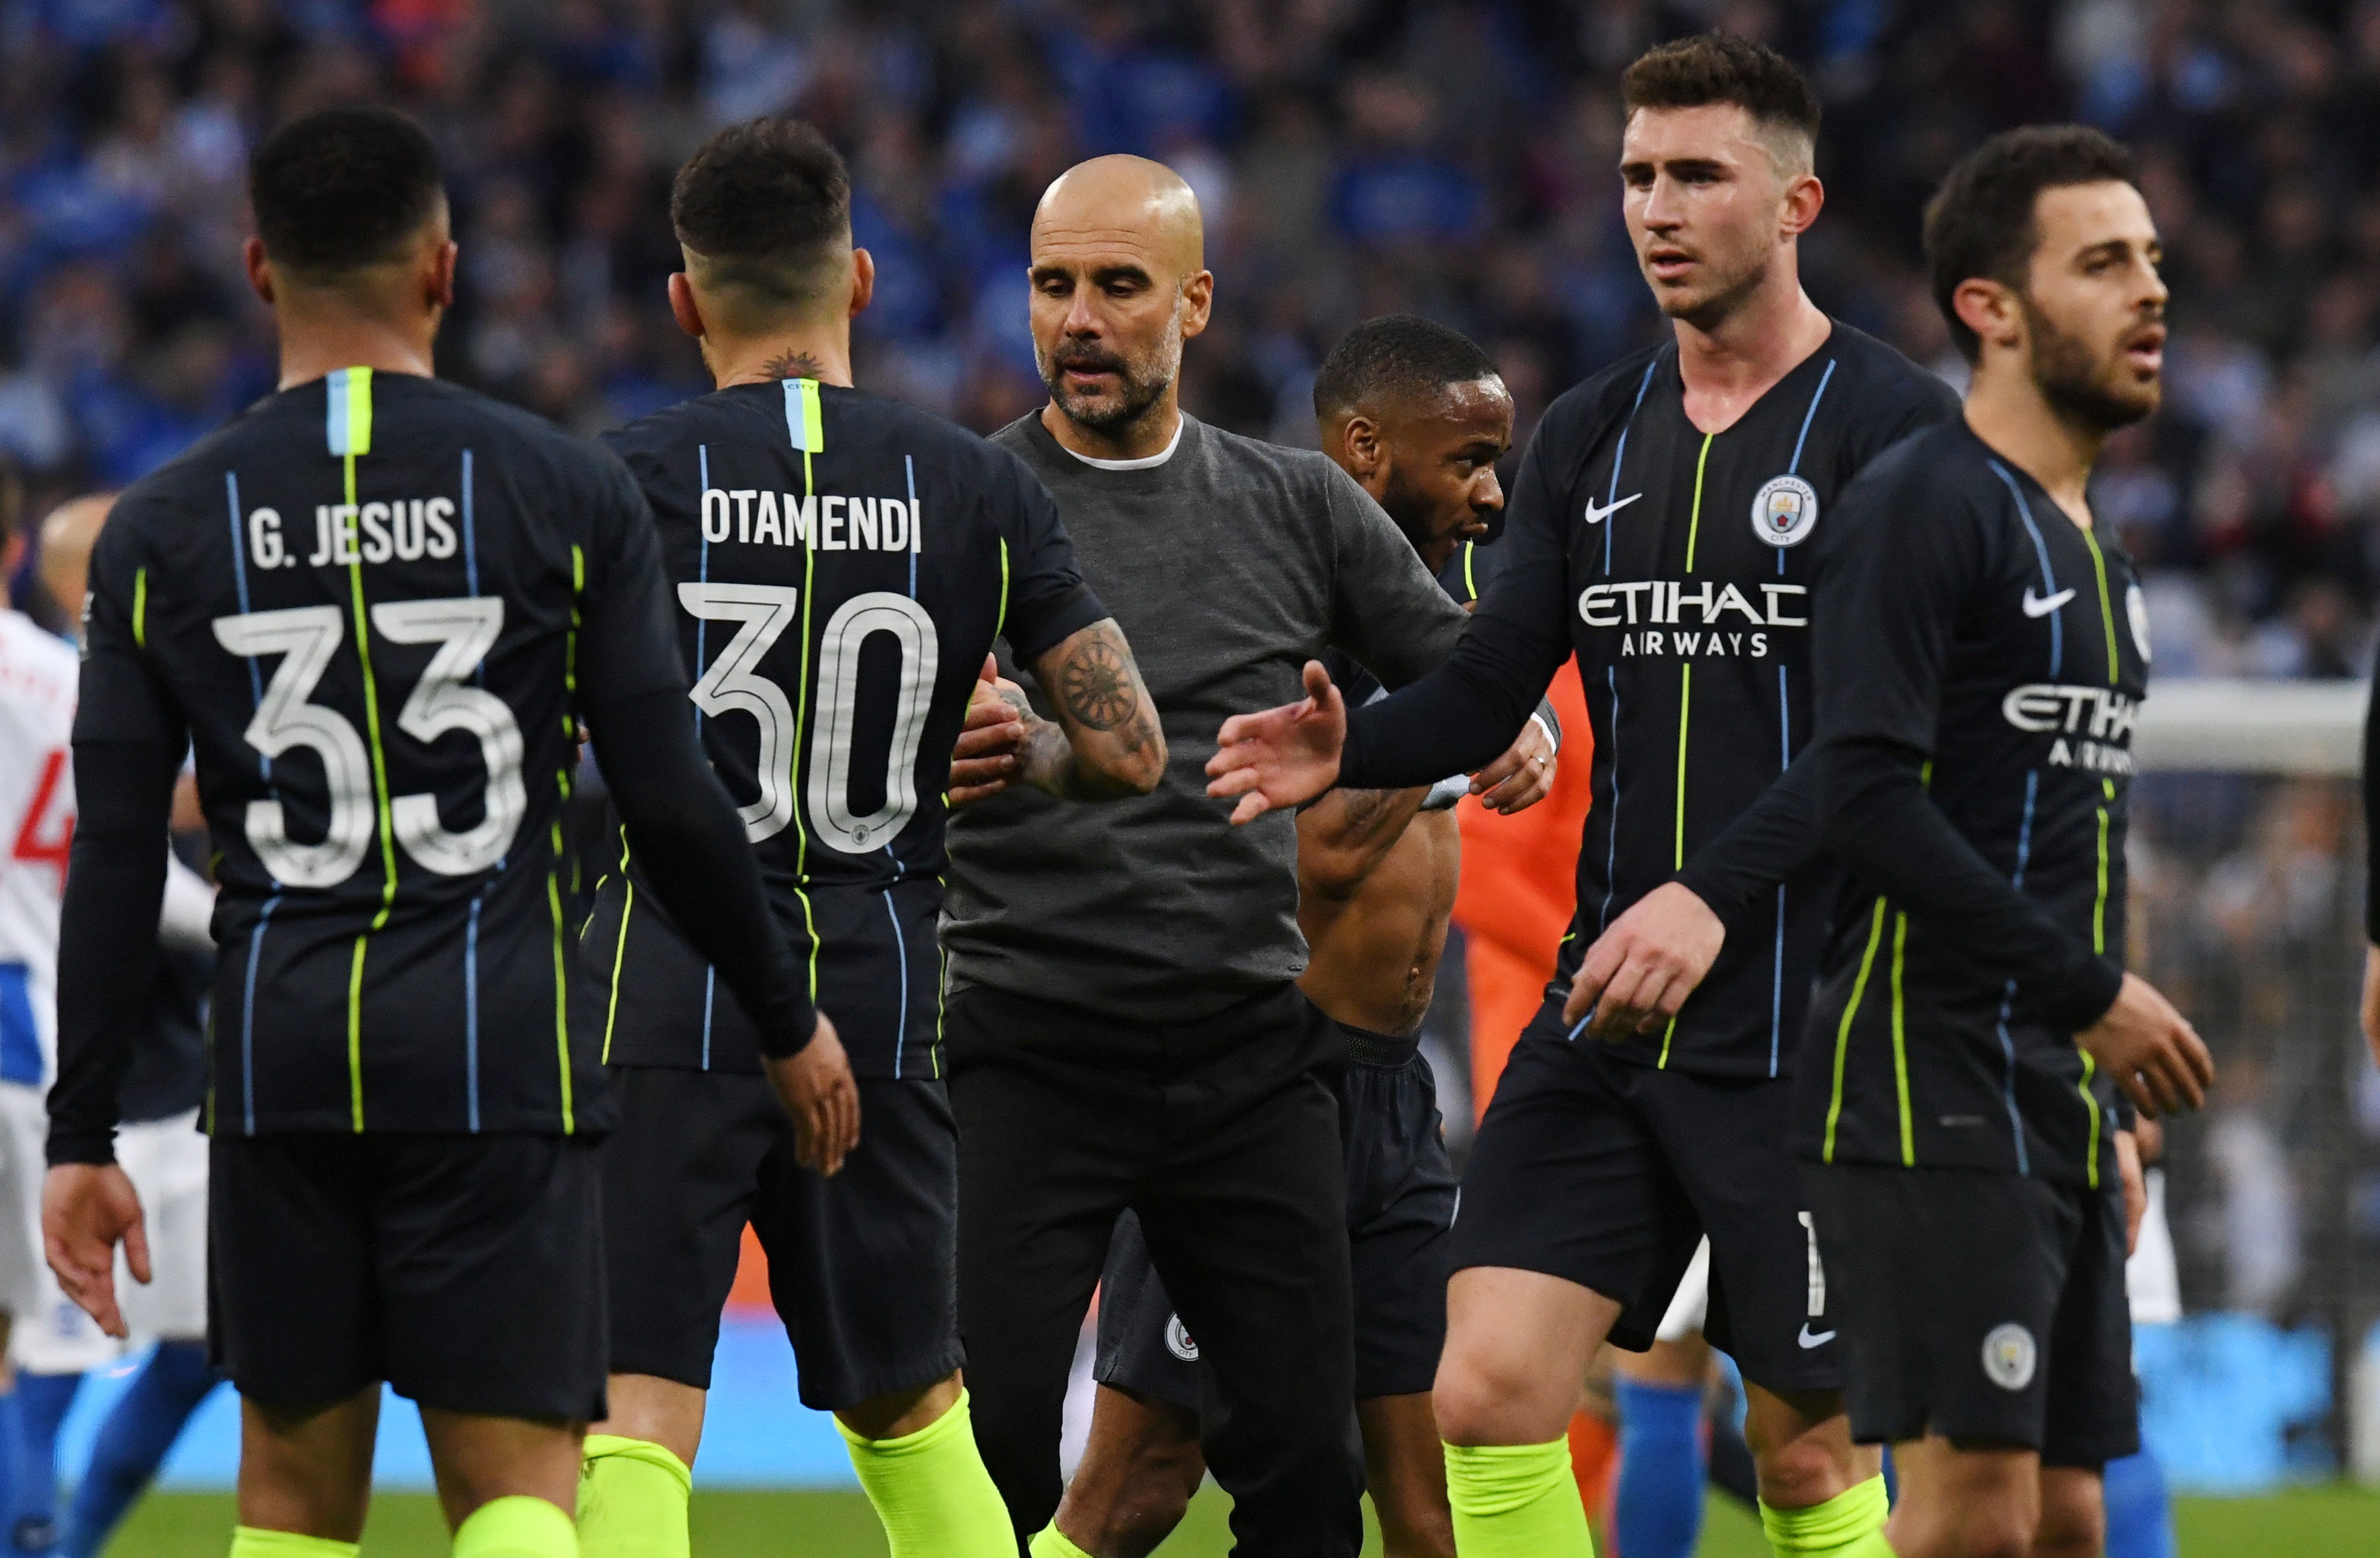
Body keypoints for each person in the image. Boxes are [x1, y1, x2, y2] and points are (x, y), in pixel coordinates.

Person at [41, 106, 839, 1558]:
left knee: (292, 1502)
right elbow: (668, 797)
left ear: (259, 270)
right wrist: (787, 1018)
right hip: (492, 1053)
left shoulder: (160, 527)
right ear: (443, 269)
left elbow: (108, 850)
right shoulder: (565, 490)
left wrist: (79, 1130)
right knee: (519, 1492)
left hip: (278, 1052)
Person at [1209, 34, 1960, 1558]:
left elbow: (1883, 743)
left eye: (1698, 174)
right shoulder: (1591, 435)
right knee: (1482, 1391)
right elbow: (1488, 690)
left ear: (1796, 200)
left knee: (1810, 1455)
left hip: (1807, 1029)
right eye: (1636, 176)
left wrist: (1713, 897)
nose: (1657, 207)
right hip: (1610, 1004)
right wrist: (1345, 748)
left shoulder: (1898, 432)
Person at [942, 157, 1553, 1557]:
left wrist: (1519, 740)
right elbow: (850, 727)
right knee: (995, 1451)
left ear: (1195, 303)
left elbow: (1474, 677)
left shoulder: (1294, 504)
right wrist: (929, 746)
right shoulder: (961, 502)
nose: (1080, 319)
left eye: (1117, 286)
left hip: (1245, 1048)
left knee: (1302, 1465)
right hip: (1030, 1037)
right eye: (1053, 286)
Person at [572, 119, 1162, 1558]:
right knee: (913, 1415)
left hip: (662, 986)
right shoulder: (978, 487)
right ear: (863, 282)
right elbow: (1133, 749)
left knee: (634, 1412)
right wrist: (1016, 750)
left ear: (684, 300)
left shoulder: (617, 483)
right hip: (880, 993)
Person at [1790, 125, 2212, 1558]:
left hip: (2062, 1097)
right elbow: (1862, 795)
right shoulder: (1921, 507)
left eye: (2152, 260)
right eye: (2104, 263)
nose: (2151, 290)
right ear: (1993, 307)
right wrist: (2095, 999)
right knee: (1971, 1512)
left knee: (2070, 1519)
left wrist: (2117, 1101)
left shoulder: (2104, 556)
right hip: (1924, 1080)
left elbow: (2086, 829)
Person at [32, 494, 225, 1558]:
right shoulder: (71, 690)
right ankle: (55, 1543)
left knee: (168, 1339)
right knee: (71, 1341)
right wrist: (241, 924)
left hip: (141, 1065)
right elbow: (111, 868)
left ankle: (58, 1539)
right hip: (120, 1075)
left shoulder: (133, 680)